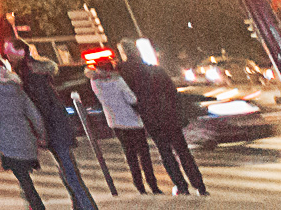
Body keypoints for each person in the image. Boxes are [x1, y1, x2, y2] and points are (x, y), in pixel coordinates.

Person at [17, 50, 98, 210]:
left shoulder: (35, 80)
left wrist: (40, 133)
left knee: (70, 174)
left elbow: (44, 109)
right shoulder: (43, 78)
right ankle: (81, 206)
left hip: (55, 131)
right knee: (69, 172)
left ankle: (87, 207)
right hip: (58, 129)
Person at [123, 47, 204, 196]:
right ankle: (199, 185)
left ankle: (181, 186)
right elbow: (173, 92)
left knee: (165, 152)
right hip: (169, 115)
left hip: (152, 119)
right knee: (183, 150)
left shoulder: (129, 77)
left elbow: (132, 100)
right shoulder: (157, 71)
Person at [0, 52, 48, 210]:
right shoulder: (13, 83)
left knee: (25, 182)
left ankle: (37, 207)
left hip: (6, 141)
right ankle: (32, 205)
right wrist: (40, 135)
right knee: (25, 179)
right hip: (26, 138)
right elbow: (33, 112)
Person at [88, 63, 156, 193]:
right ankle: (152, 184)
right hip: (132, 121)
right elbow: (131, 98)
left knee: (130, 154)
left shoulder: (95, 83)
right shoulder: (118, 80)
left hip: (115, 122)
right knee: (144, 154)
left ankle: (139, 185)